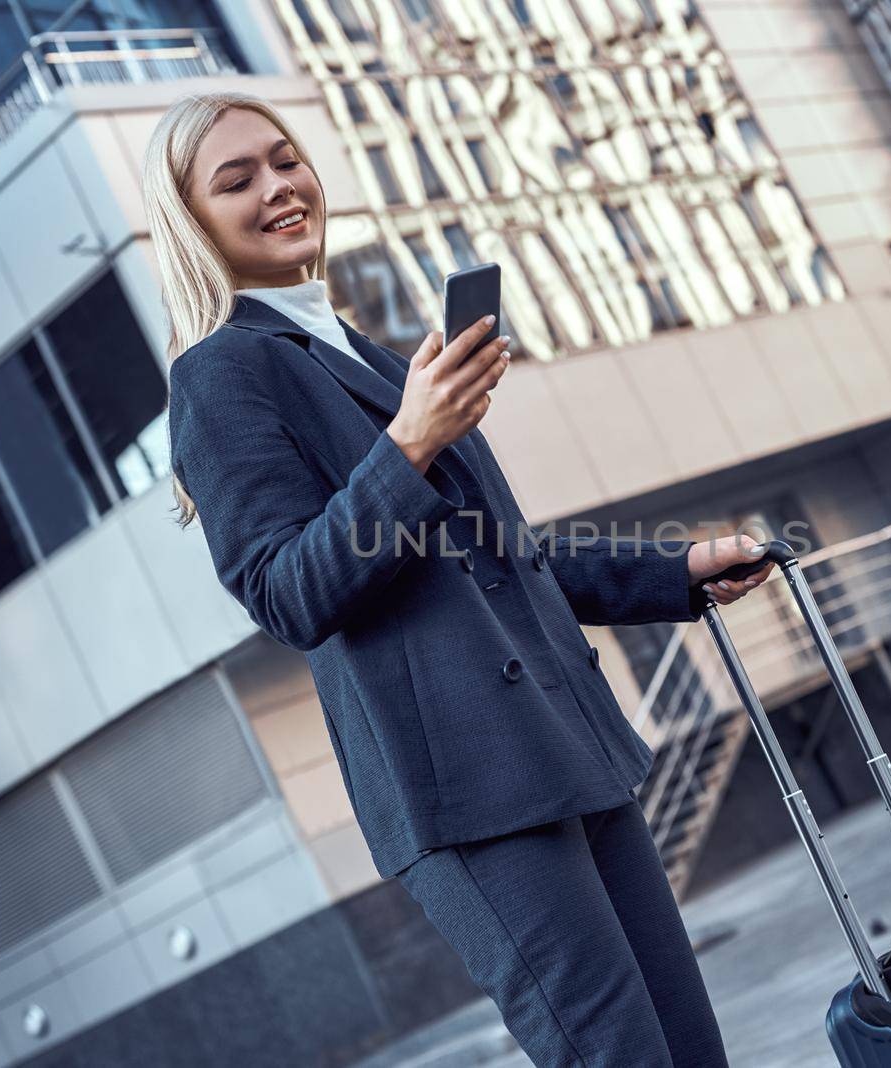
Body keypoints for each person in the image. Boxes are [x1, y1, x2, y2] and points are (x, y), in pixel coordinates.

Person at [143, 90, 774, 1066]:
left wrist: (677, 570)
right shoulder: (223, 372)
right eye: (237, 180)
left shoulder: (370, 355)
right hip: (464, 783)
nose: (278, 187)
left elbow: (493, 558)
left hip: (560, 739)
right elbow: (285, 591)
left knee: (690, 1050)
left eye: (284, 160)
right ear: (193, 221)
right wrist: (411, 441)